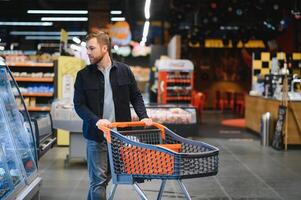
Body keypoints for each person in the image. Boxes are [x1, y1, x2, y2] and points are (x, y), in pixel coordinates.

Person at [73, 31, 152, 200]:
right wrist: (96, 121)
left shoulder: (124, 71)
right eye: (87, 48)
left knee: (106, 178)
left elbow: (136, 96)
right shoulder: (83, 76)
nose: (88, 52)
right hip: (96, 135)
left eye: (92, 48)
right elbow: (79, 105)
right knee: (98, 181)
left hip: (119, 136)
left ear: (104, 48)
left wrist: (143, 116)